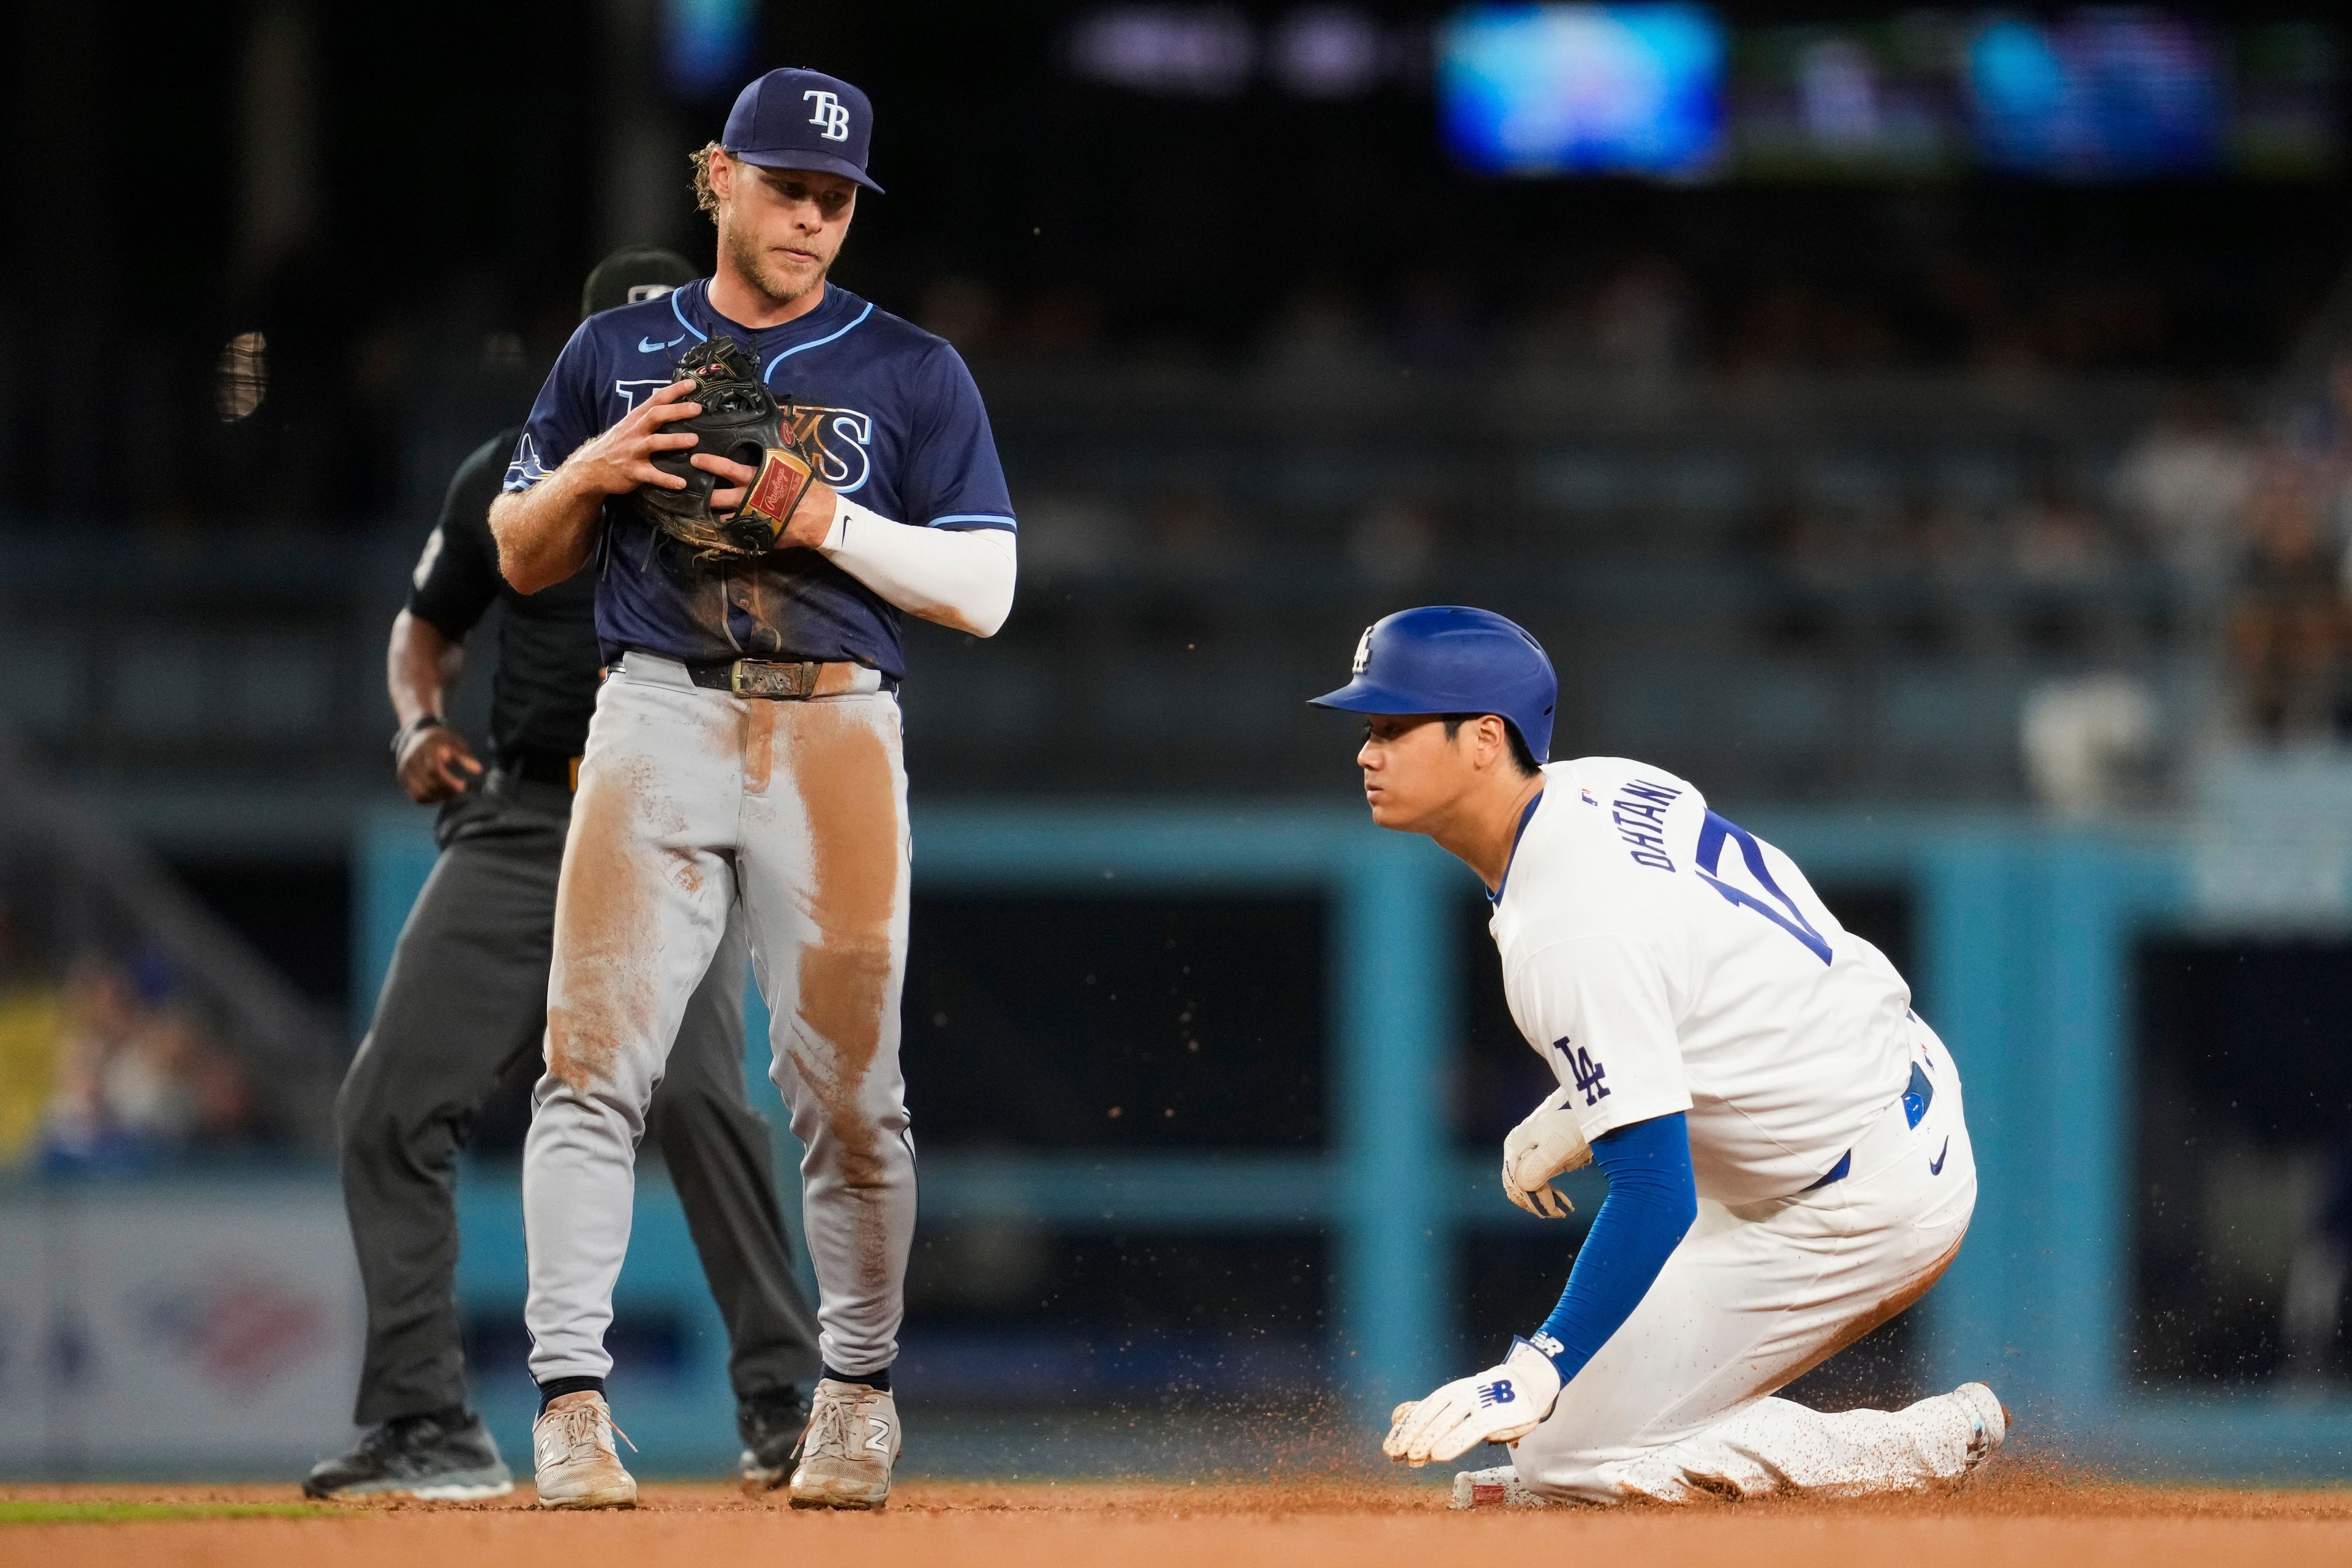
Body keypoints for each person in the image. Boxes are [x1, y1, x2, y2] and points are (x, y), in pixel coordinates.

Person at [491, 67, 1017, 1510]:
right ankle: (571, 1403)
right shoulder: (613, 349)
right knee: (589, 1065)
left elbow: (987, 587)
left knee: (852, 1097)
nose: (814, 216)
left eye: (838, 196)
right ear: (715, 175)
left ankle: (854, 1393)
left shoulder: (910, 367)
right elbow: (519, 553)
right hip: (654, 712)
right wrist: (593, 469)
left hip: (835, 729)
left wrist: (824, 514)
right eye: (789, 185)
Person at [304, 251, 824, 1503]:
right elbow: (426, 624)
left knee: (700, 1102)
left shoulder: (739, 484)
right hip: (528, 811)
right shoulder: (512, 472)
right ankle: (426, 1418)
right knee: (388, 1107)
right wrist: (417, 721)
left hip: (669, 825)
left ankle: (785, 1402)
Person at [1310, 606, 2005, 1507]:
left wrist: (1534, 1367)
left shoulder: (1567, 928)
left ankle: (1923, 1448)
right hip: (1868, 1077)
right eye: (1370, 729)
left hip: (1854, 1199)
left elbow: (1655, 1193)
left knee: (1563, 1454)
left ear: (1484, 740)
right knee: (1577, 1445)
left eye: (1395, 728)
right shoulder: (1601, 785)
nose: (1368, 753)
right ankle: (1592, 1468)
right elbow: (1700, 964)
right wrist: (1577, 1104)